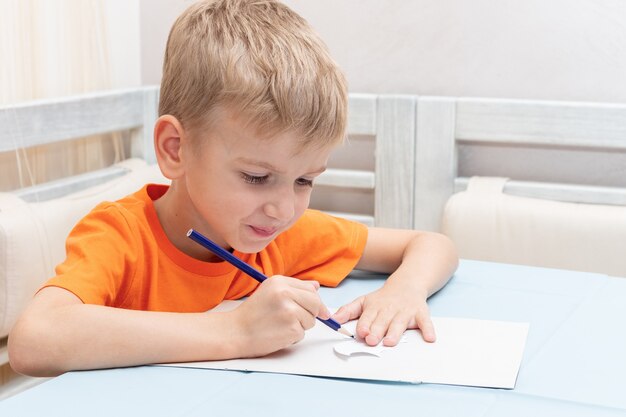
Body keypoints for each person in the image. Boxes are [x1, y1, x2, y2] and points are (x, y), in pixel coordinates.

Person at [9, 0, 458, 377]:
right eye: (256, 178)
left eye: (304, 180)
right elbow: (35, 340)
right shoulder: (121, 237)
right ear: (175, 149)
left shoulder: (275, 234)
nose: (283, 208)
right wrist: (237, 332)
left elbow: (431, 244)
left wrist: (404, 290)